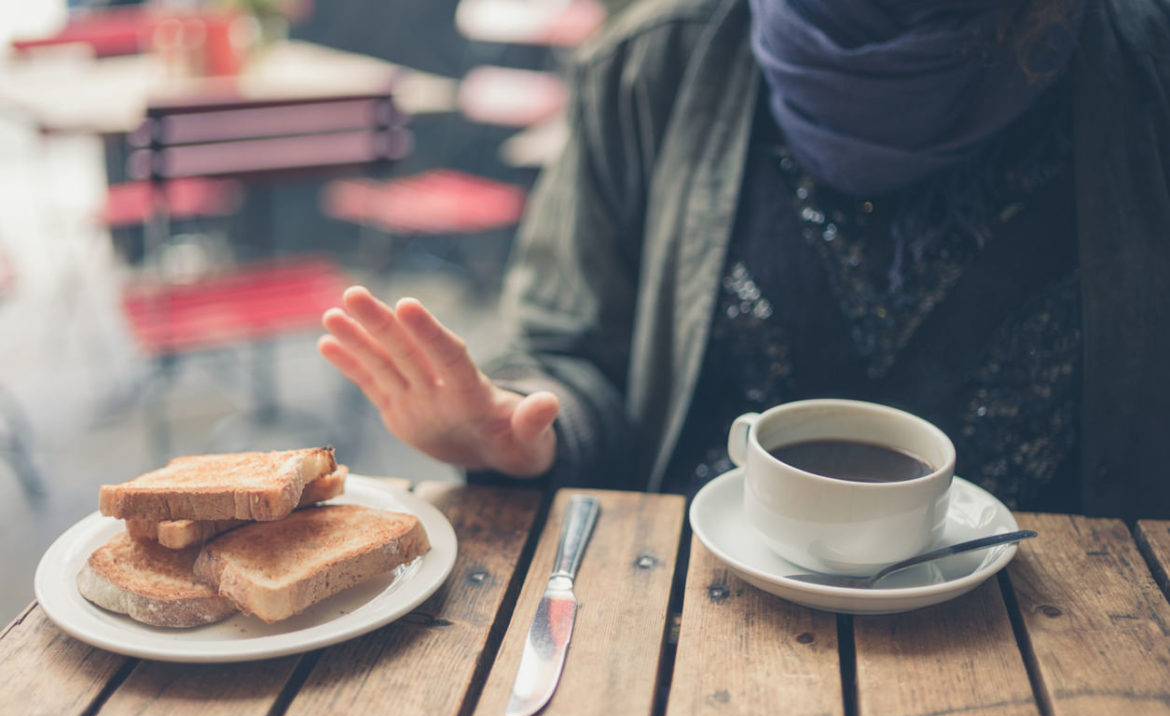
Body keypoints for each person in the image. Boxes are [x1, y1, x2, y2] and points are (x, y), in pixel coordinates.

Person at [319, 0, 1170, 522]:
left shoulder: (1144, 62)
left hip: (1055, 635)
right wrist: (517, 432)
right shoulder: (653, 64)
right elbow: (571, 358)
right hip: (701, 623)